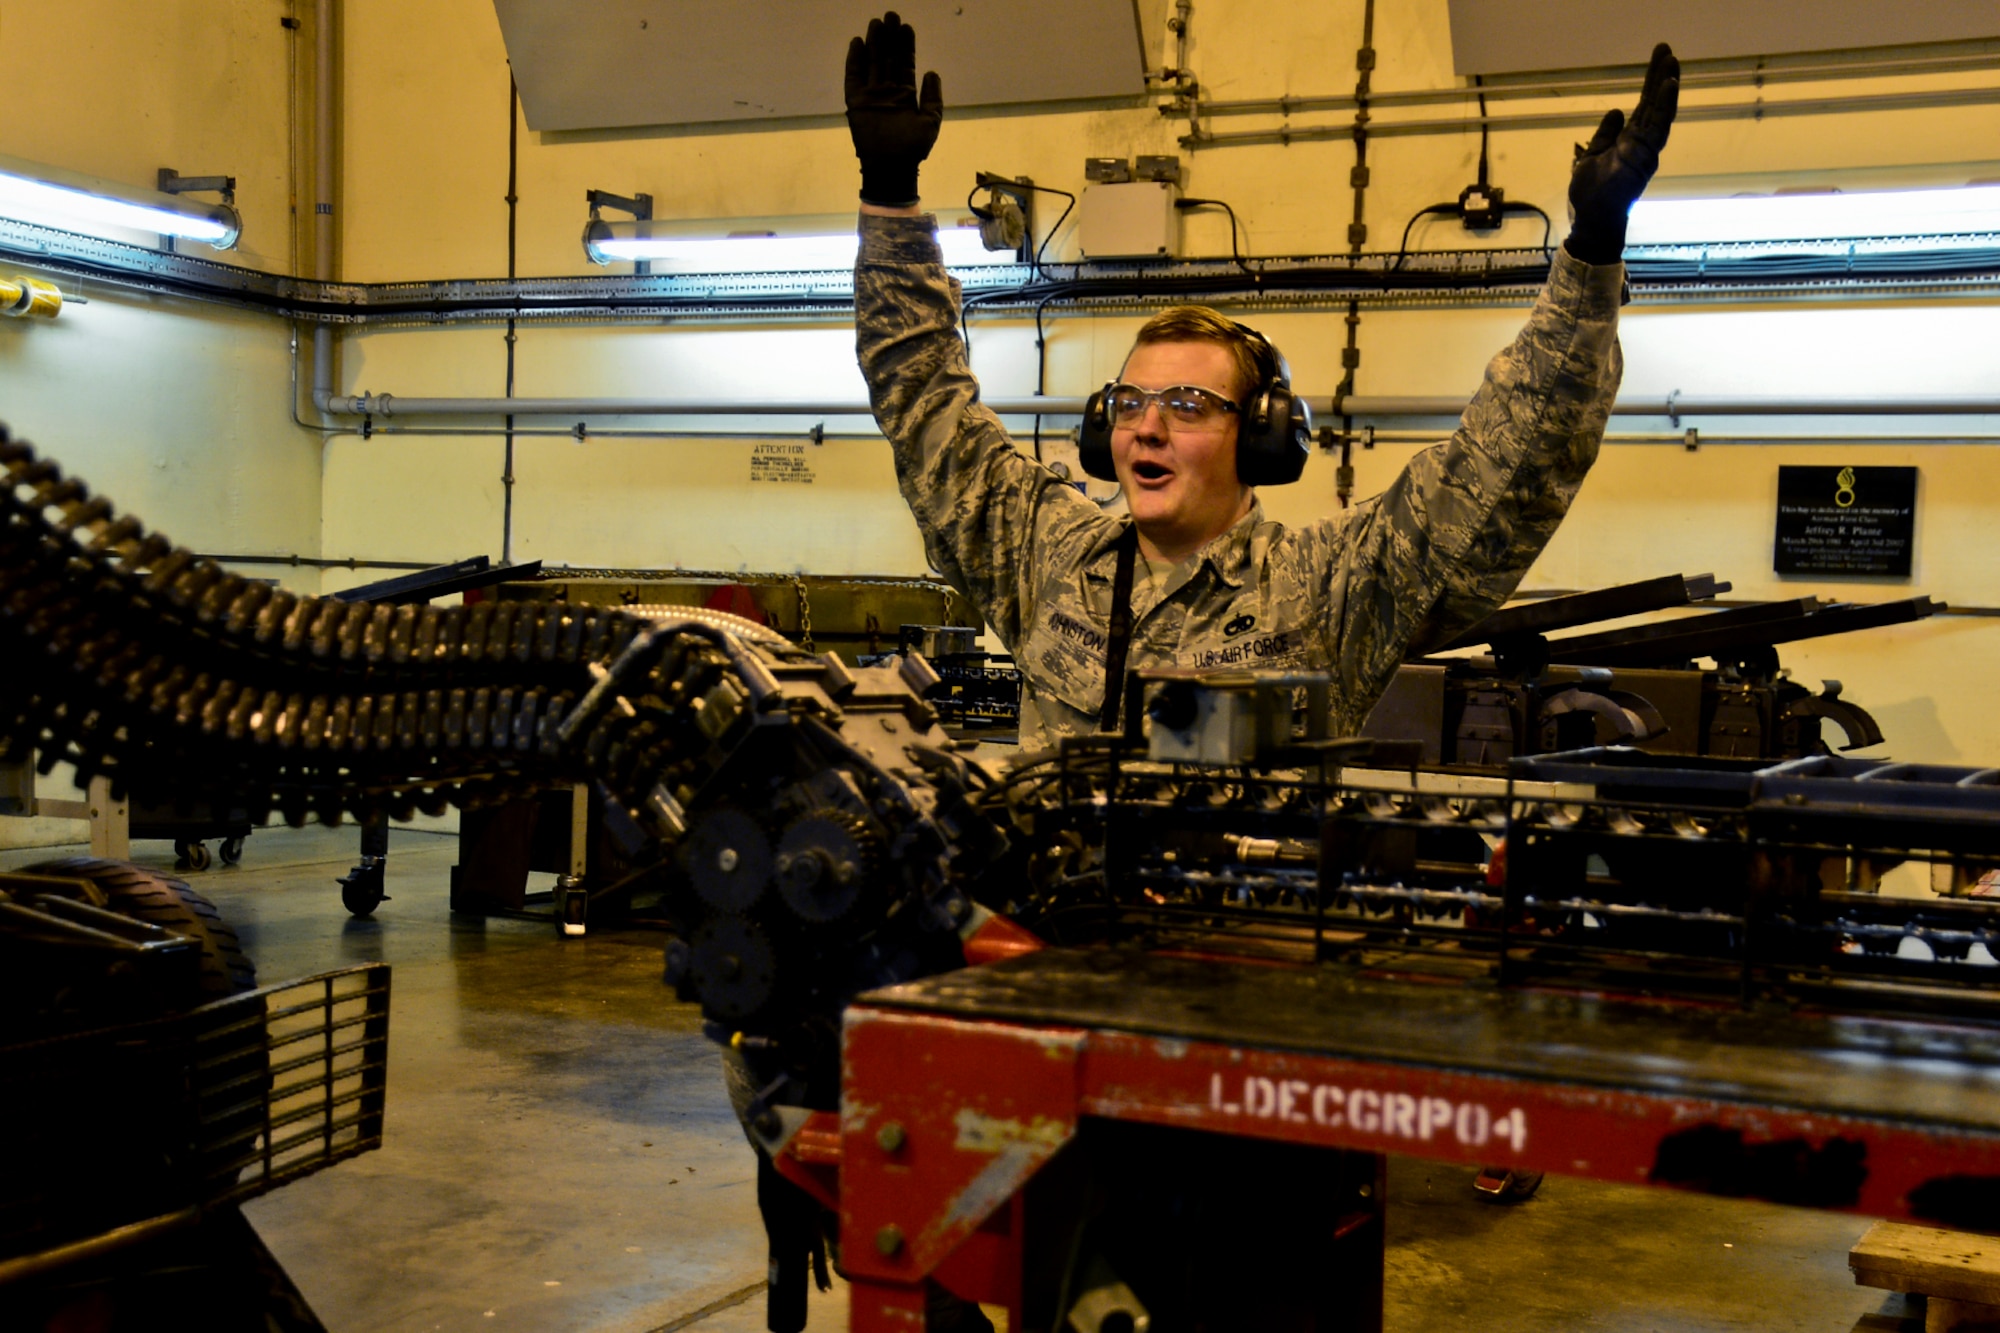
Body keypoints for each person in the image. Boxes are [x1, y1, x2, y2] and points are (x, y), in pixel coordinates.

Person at [846, 12, 1681, 748]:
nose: (1148, 426)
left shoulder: (1329, 587)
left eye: (1187, 405)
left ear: (1259, 436)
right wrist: (890, 206)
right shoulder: (1043, 551)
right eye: (1130, 402)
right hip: (1062, 918)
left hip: (1235, 926)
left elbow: (1502, 475)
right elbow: (924, 401)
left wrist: (1593, 252)